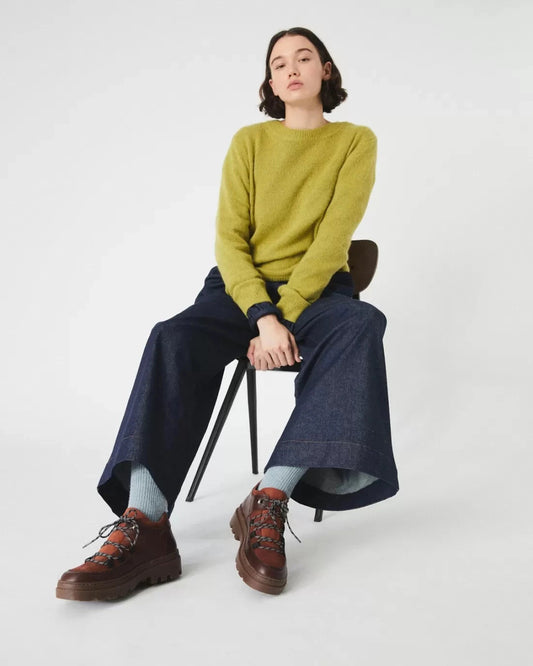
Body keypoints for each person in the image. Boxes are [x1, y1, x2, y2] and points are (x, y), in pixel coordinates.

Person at [56, 26, 399, 601]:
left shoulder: (355, 141)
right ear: (270, 82)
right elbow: (230, 240)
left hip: (319, 293)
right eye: (279, 63)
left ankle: (269, 497)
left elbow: (332, 241)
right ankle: (145, 523)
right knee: (170, 337)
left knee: (362, 324)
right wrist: (263, 316)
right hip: (241, 293)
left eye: (304, 58)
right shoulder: (249, 141)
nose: (292, 69)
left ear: (326, 70)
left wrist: (285, 315)